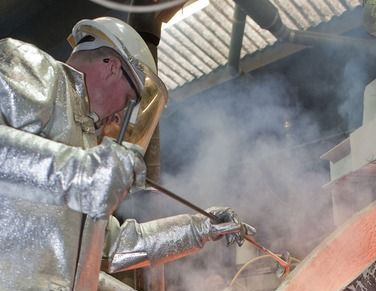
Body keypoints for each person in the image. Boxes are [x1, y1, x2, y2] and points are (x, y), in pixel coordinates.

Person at [0, 16, 255, 291]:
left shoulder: (84, 144)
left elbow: (115, 246)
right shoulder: (35, 71)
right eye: (128, 101)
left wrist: (199, 228)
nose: (120, 118)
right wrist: (81, 172)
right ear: (112, 67)